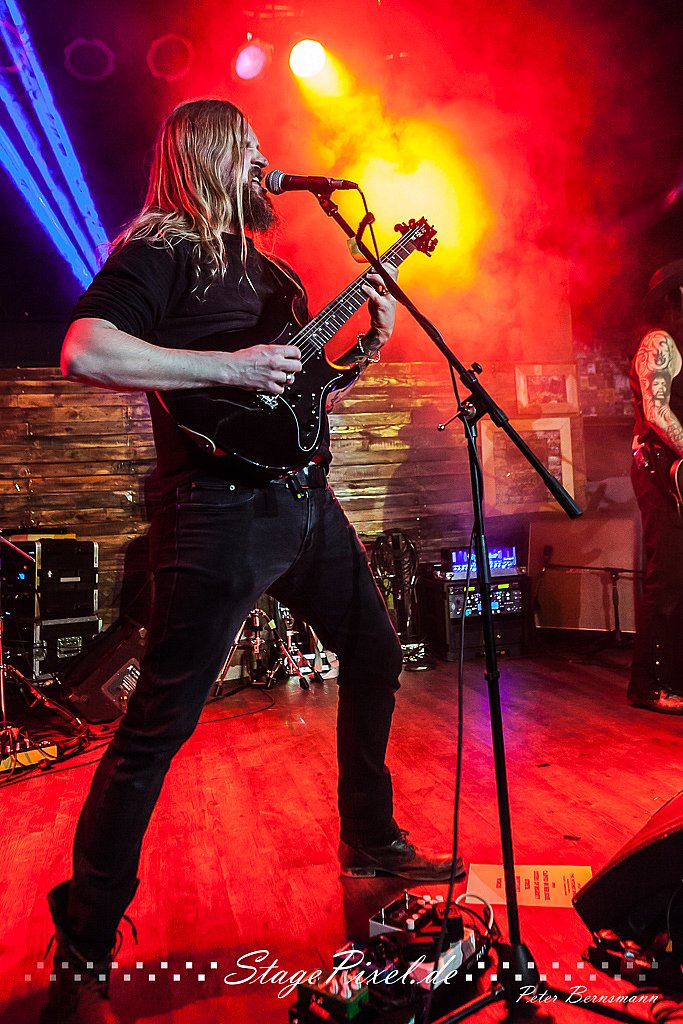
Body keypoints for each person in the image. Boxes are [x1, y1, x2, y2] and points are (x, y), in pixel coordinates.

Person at [40, 98, 459, 1024]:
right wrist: (230, 367)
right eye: (251, 149)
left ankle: (369, 837)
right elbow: (84, 349)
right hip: (215, 512)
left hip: (303, 502)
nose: (268, 162)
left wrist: (363, 351)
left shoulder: (269, 270)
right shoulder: (162, 249)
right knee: (156, 729)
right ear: (209, 154)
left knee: (376, 654)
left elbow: (300, 398)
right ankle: (84, 942)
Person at [628, 259, 683, 714]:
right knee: (665, 577)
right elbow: (656, 412)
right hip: (660, 469)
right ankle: (647, 684)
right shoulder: (658, 342)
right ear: (674, 297)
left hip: (675, 470)